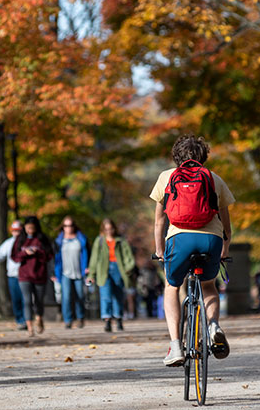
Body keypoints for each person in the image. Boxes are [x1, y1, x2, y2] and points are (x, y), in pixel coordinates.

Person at [150, 134, 235, 366]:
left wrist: (159, 249)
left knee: (171, 286)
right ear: (203, 156)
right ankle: (214, 325)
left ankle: (176, 346)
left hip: (180, 240)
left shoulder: (166, 177)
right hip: (211, 240)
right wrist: (224, 250)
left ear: (176, 156)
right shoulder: (214, 178)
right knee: (209, 286)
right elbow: (226, 225)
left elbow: (159, 221)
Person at [87, 219, 135, 332]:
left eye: (111, 229)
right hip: (103, 270)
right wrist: (91, 274)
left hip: (118, 269)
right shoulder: (99, 241)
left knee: (118, 296)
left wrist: (128, 268)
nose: (109, 231)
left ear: (114, 228)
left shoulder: (121, 241)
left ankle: (118, 318)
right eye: (106, 229)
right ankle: (107, 320)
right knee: (105, 296)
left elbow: (129, 257)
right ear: (103, 230)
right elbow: (94, 259)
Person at [11, 215, 54, 336]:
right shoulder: (20, 239)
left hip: (39, 274)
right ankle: (30, 327)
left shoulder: (42, 239)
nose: (30, 230)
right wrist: (25, 253)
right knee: (27, 301)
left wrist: (37, 252)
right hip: (24, 275)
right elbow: (14, 256)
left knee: (39, 301)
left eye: (32, 228)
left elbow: (49, 255)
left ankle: (39, 318)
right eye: (28, 228)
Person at [0, 220, 26, 330]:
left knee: (26, 299)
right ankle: (20, 321)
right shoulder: (9, 243)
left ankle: (28, 320)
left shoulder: (27, 242)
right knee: (16, 299)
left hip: (25, 276)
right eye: (14, 230)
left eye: (18, 230)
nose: (16, 233)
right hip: (13, 276)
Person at [54, 216, 89, 329]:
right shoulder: (59, 241)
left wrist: (87, 267)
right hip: (65, 273)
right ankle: (68, 320)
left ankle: (80, 318)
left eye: (70, 225)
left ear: (74, 226)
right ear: (63, 227)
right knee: (66, 297)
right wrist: (54, 272)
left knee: (80, 296)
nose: (68, 228)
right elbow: (55, 258)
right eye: (66, 225)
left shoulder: (81, 239)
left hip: (79, 272)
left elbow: (86, 253)